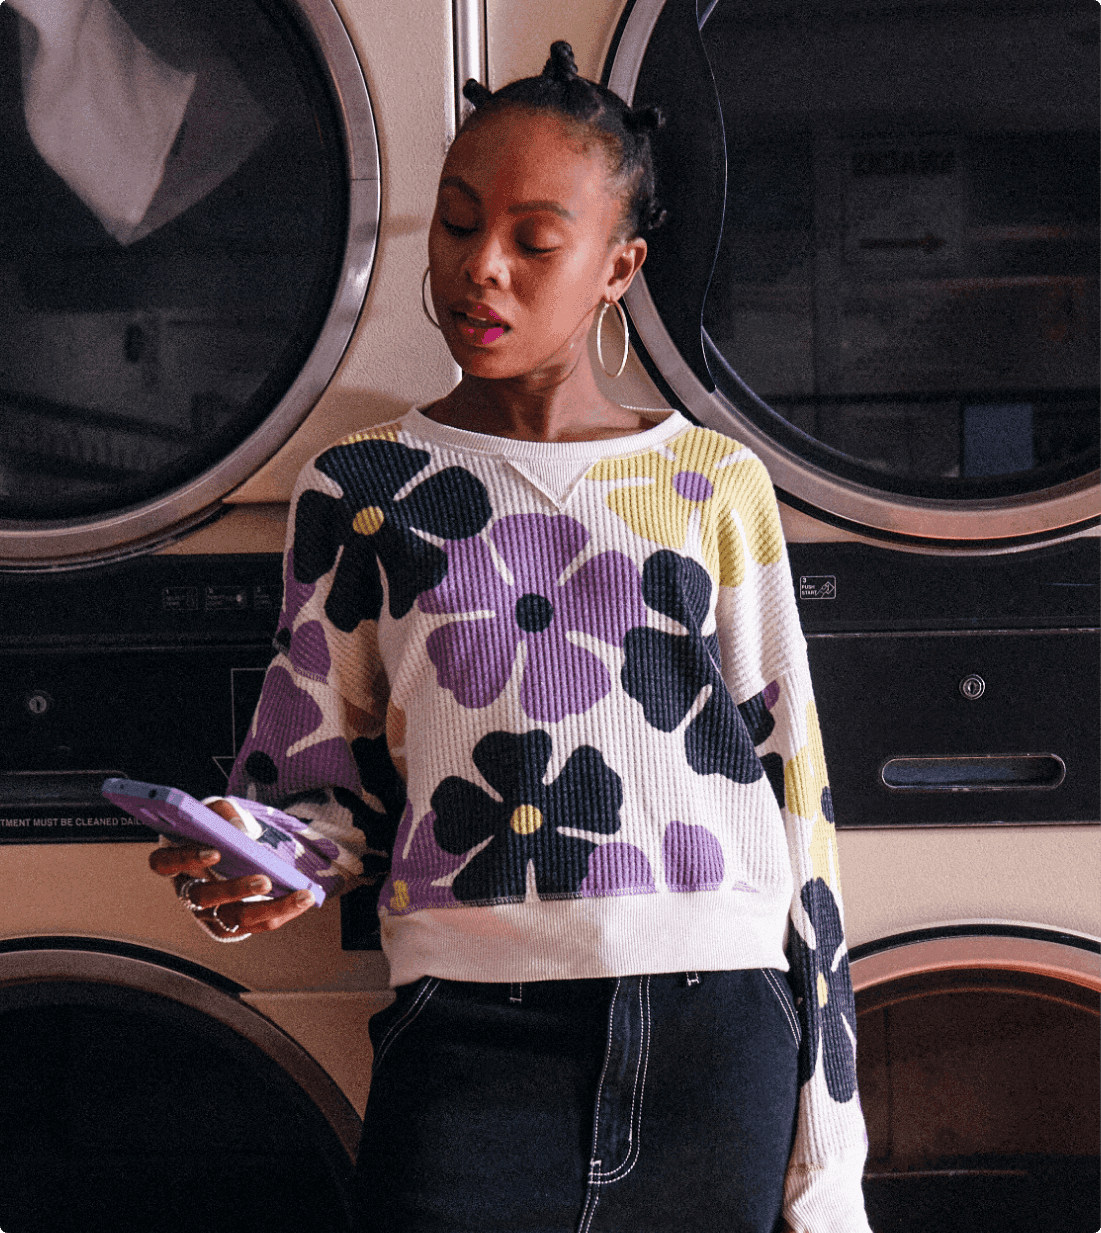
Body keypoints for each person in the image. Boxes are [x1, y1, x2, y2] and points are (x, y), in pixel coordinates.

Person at [150, 42, 873, 1233]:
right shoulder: (363, 485)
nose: (480, 269)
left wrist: (828, 1161)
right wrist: (257, 858)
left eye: (536, 241)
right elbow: (315, 788)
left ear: (616, 267)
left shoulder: (710, 483)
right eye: (455, 223)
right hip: (471, 1037)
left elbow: (801, 810)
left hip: (719, 1038)